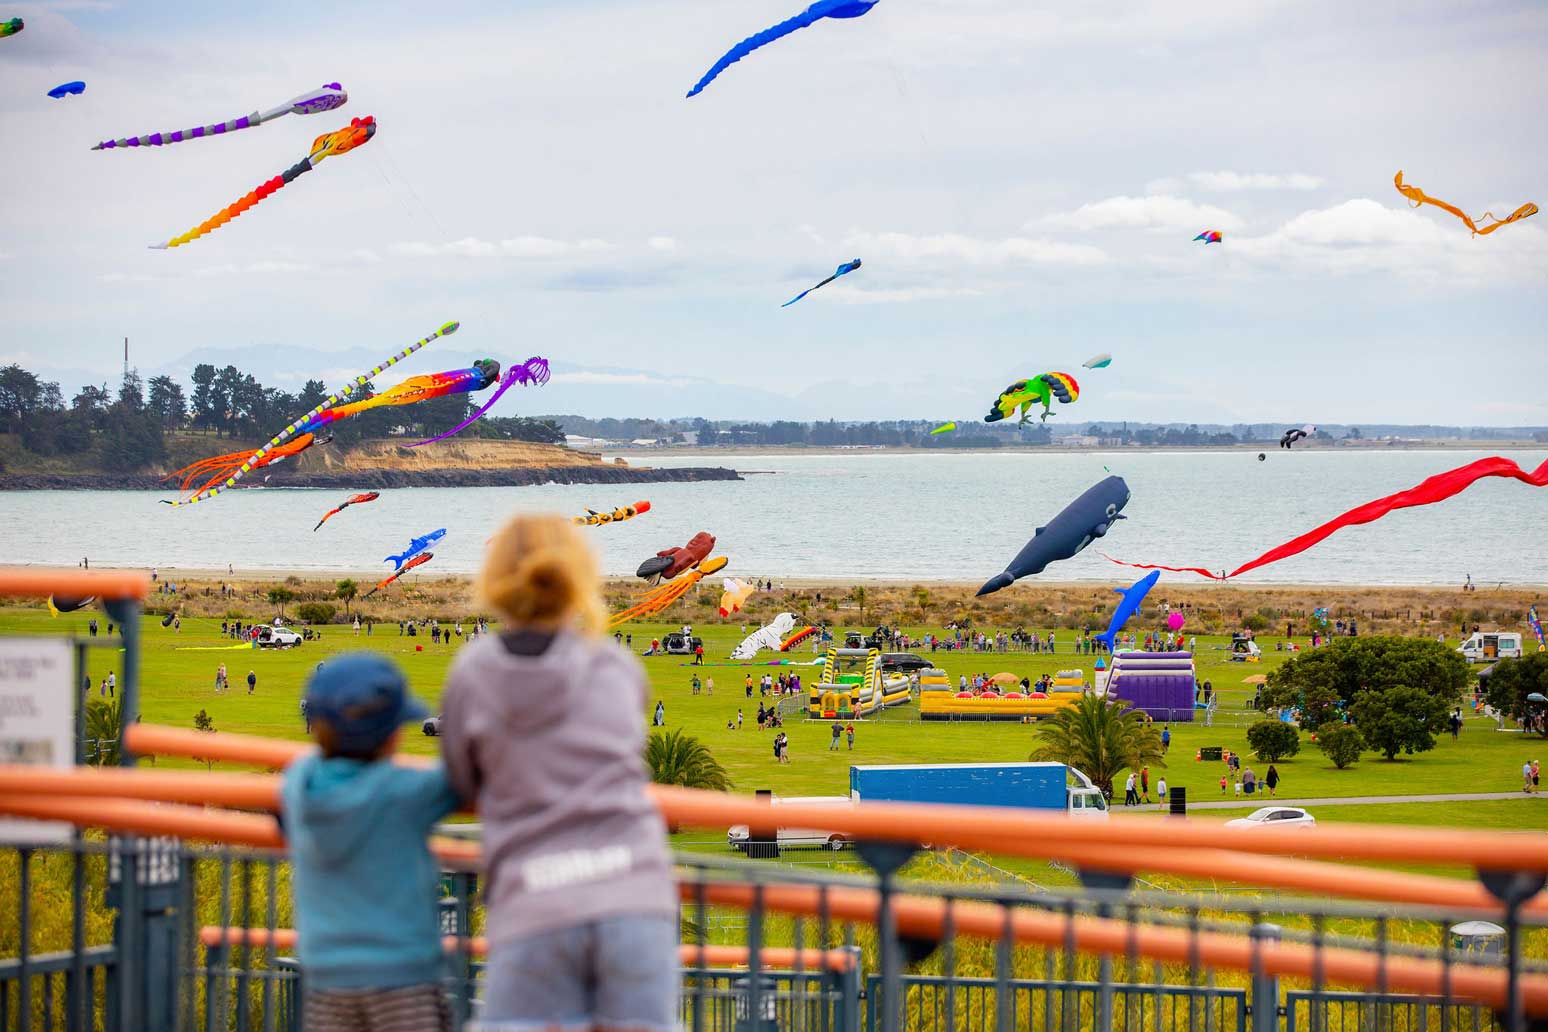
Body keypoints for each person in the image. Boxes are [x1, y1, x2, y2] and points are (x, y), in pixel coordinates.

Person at [438, 513, 677, 1032]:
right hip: (636, 890)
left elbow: (460, 777)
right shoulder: (615, 667)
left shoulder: (476, 670)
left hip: (537, 900)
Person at [281, 654, 457, 1031]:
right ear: (393, 734)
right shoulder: (405, 791)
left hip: (326, 976)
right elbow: (464, 772)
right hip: (402, 977)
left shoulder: (299, 784)